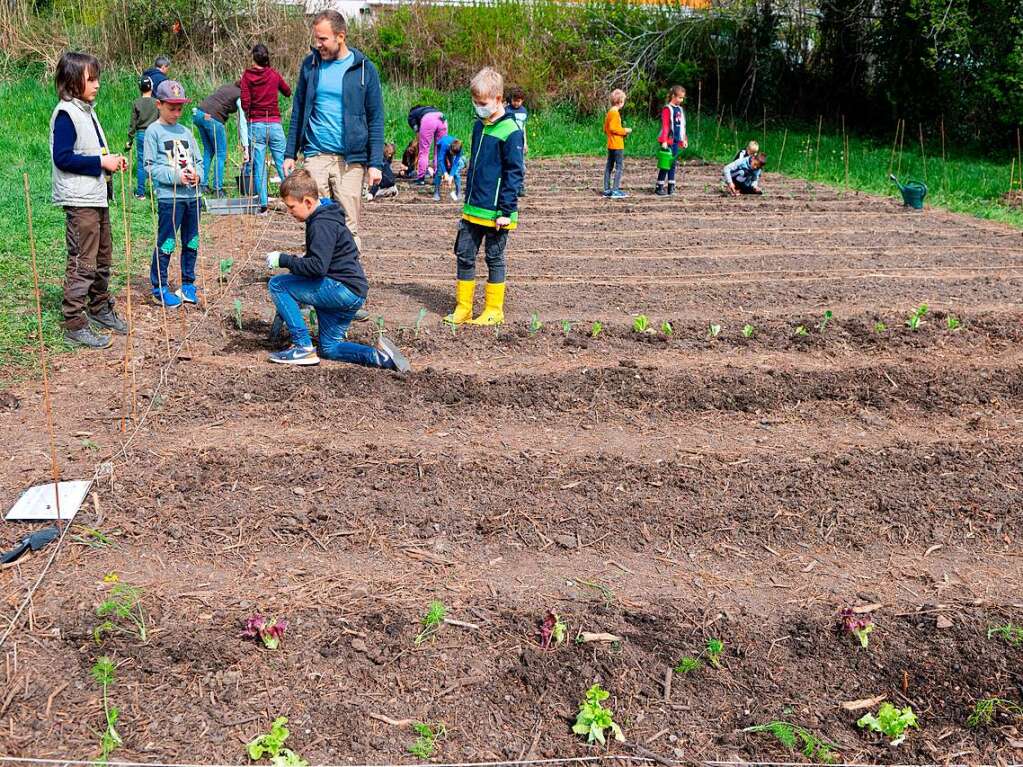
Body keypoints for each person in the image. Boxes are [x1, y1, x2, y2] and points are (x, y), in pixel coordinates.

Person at [264, 169, 410, 371]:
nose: (289, 212)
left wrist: (284, 260)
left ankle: (302, 347)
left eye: (291, 207)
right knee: (329, 348)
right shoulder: (325, 216)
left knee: (278, 285)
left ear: (307, 202)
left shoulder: (321, 224)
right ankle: (380, 358)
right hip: (353, 291)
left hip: (341, 289)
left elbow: (317, 267)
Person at [283, 9, 385, 252]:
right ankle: (317, 272)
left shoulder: (363, 69)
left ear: (341, 36)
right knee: (315, 219)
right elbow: (298, 110)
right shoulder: (311, 65)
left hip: (350, 161)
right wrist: (290, 153)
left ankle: (349, 279)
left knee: (348, 222)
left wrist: (375, 163)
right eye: (316, 38)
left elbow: (376, 117)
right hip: (316, 155)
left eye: (323, 39)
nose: (318, 44)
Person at [50, 51, 128, 349]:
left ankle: (98, 308)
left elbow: (90, 149)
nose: (97, 85)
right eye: (91, 79)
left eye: (98, 79)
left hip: (96, 197)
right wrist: (101, 163)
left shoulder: (86, 110)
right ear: (72, 81)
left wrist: (109, 160)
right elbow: (63, 157)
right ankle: (74, 321)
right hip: (80, 199)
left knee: (103, 256)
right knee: (84, 261)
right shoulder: (66, 114)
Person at [444, 67, 524, 327]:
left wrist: (505, 211)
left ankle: (493, 309)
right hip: (473, 207)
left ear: (498, 98)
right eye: (475, 102)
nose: (478, 107)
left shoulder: (511, 130)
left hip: (496, 211)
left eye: (483, 103)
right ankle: (464, 308)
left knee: (494, 257)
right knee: (464, 253)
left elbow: (514, 174)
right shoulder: (479, 126)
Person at [144, 80, 204, 308]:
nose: (177, 113)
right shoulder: (153, 131)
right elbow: (150, 166)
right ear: (159, 104)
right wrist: (177, 177)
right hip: (171, 198)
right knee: (167, 241)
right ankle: (159, 287)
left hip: (192, 197)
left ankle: (188, 283)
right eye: (172, 108)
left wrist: (197, 175)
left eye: (180, 108)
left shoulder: (186, 132)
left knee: (192, 241)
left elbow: (198, 160)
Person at [241, 43, 292, 213]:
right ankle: (293, 199)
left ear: (253, 58)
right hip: (274, 124)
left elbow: (245, 102)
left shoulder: (247, 76)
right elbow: (287, 91)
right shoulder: (273, 74)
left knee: (259, 166)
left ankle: (263, 204)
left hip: (256, 124)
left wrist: (249, 113)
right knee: (283, 163)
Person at [193, 82, 249, 198]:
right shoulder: (241, 95)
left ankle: (203, 184)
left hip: (199, 114)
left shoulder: (227, 86)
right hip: (212, 118)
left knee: (209, 151)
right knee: (221, 153)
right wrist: (245, 144)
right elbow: (243, 121)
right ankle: (218, 188)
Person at [125, 75, 158, 200]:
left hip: (141, 134)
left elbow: (132, 124)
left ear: (140, 88)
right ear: (151, 87)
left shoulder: (136, 103)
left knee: (141, 163)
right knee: (155, 161)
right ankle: (157, 189)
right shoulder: (157, 102)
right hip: (154, 134)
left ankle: (141, 193)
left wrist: (129, 140)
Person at [655, 84, 687, 196]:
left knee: (673, 163)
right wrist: (664, 140)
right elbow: (665, 125)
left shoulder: (679, 109)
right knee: (666, 163)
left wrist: (683, 140)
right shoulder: (667, 109)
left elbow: (682, 126)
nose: (681, 100)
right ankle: (659, 186)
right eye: (679, 97)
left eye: (682, 98)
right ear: (673, 96)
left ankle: (671, 187)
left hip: (676, 141)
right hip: (668, 140)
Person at [602, 88, 631, 199]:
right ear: (620, 102)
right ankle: (615, 190)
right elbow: (614, 128)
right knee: (619, 166)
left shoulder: (609, 112)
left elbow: (606, 129)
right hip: (617, 145)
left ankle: (607, 189)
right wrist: (625, 131)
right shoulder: (615, 113)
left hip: (610, 144)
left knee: (609, 166)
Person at [407, 104, 447, 184]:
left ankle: (421, 178)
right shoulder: (430, 108)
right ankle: (438, 177)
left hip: (428, 120)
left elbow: (417, 131)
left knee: (424, 151)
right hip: (442, 117)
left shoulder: (412, 114)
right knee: (439, 151)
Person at [433, 135, 464, 201]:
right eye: (452, 153)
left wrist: (451, 176)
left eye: (454, 154)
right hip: (440, 146)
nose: (452, 155)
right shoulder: (445, 144)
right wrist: (445, 173)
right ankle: (436, 191)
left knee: (456, 172)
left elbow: (455, 163)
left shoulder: (459, 149)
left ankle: (458, 192)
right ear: (450, 148)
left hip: (451, 149)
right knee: (440, 171)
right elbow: (441, 160)